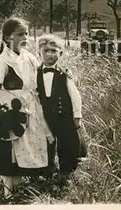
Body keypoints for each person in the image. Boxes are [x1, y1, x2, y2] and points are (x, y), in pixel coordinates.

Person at [0, 17, 55, 195]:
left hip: (32, 107)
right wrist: (0, 115)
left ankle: (22, 187)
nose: (25, 37)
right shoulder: (3, 61)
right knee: (11, 147)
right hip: (12, 109)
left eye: (26, 34)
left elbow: (41, 77)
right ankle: (7, 192)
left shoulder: (29, 57)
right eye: (20, 34)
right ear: (8, 37)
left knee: (31, 146)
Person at [36, 34, 87, 186]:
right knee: (45, 144)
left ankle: (67, 172)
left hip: (64, 116)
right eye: (46, 51)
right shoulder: (35, 73)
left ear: (61, 53)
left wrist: (77, 116)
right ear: (40, 53)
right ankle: (46, 172)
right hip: (45, 118)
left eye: (54, 51)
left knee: (67, 143)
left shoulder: (65, 74)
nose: (50, 54)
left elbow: (75, 96)